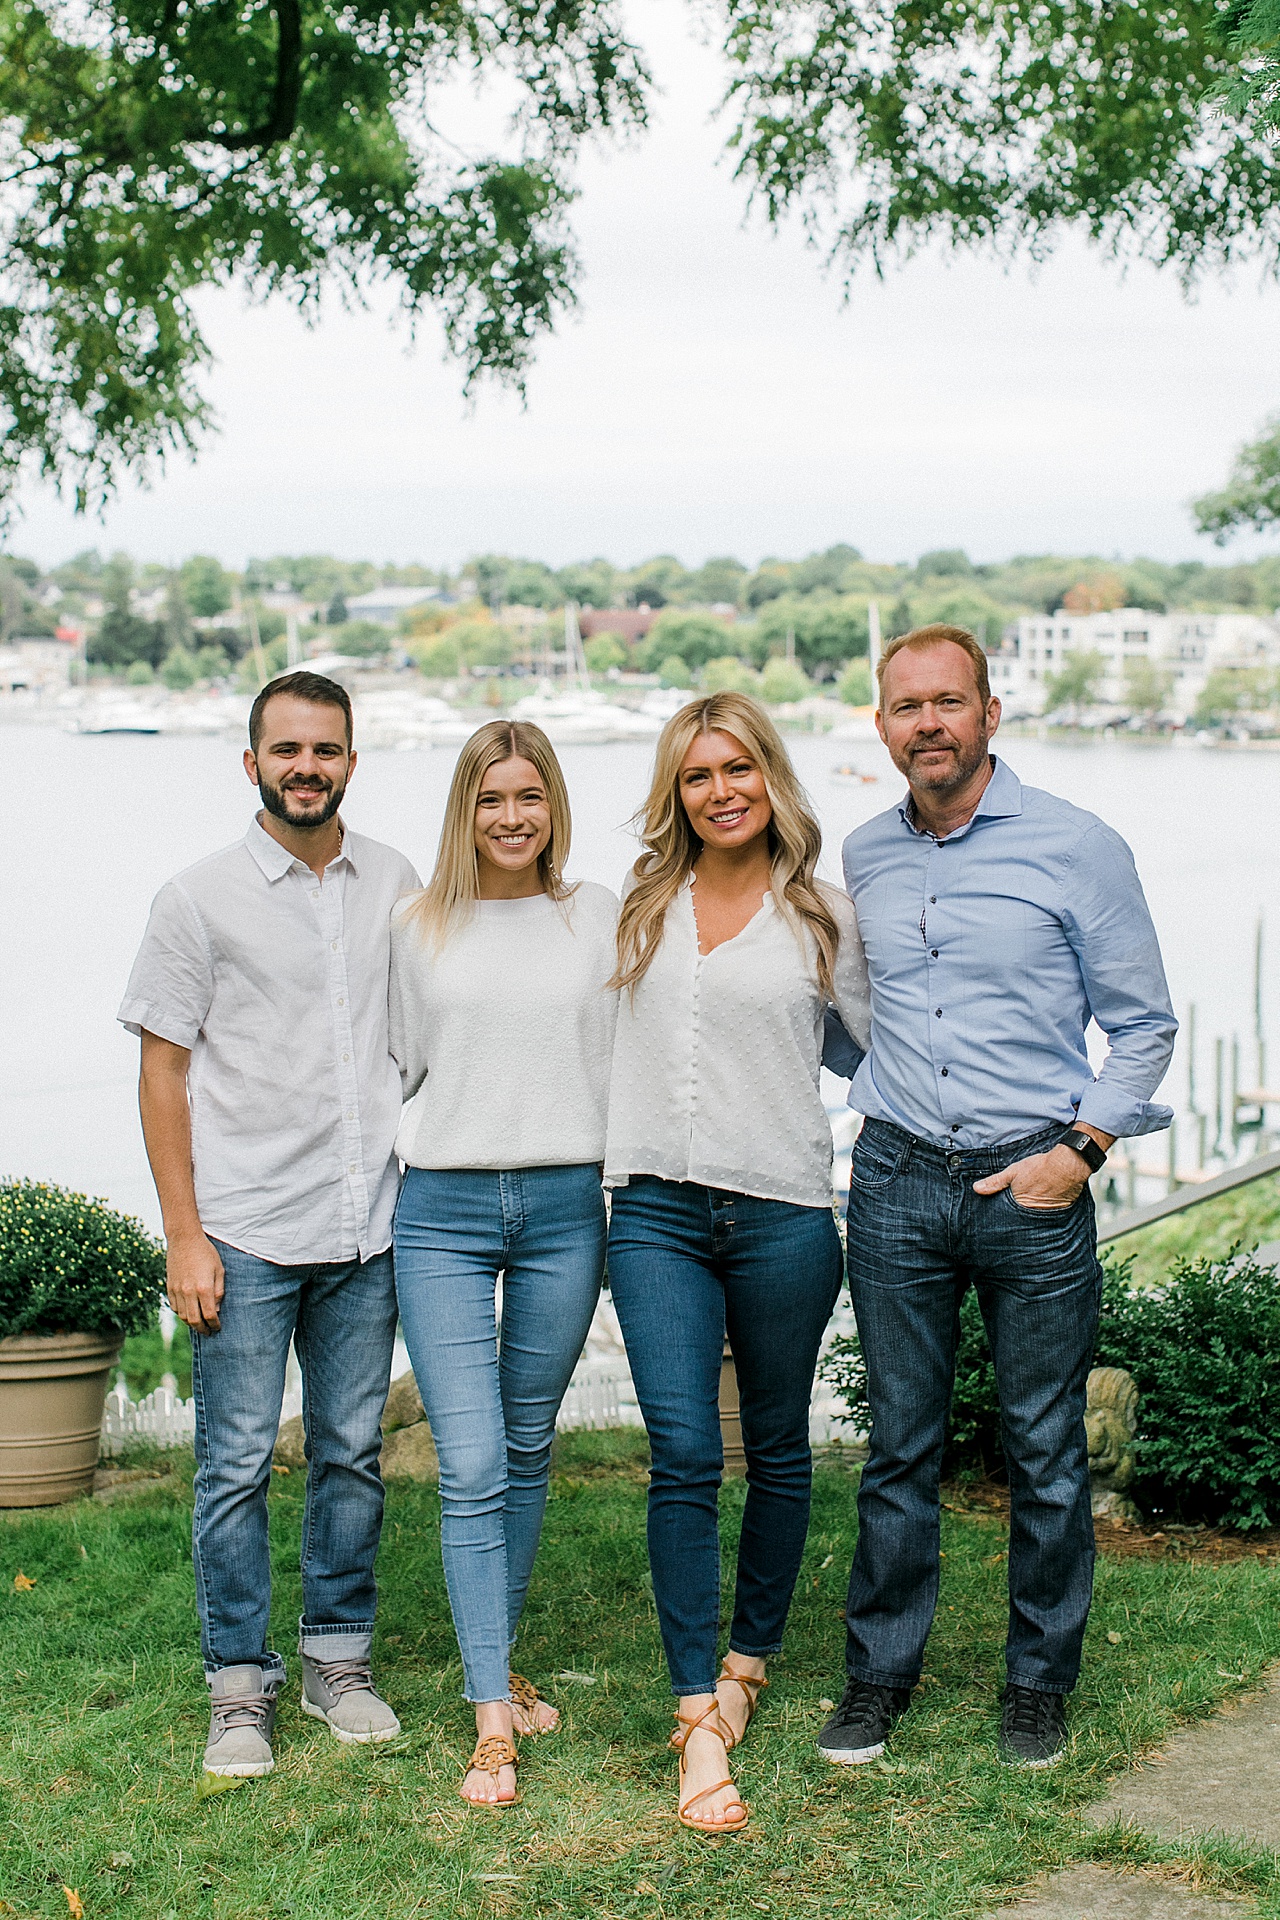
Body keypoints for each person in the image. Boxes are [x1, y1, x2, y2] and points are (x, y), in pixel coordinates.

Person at [819, 624, 1176, 1772]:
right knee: (897, 1450)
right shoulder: (865, 854)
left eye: (946, 702)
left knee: (1040, 1446)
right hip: (894, 1181)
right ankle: (876, 1679)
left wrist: (1079, 1148)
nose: (925, 724)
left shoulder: (1076, 846)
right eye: (902, 707)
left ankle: (1036, 1684)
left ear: (988, 712)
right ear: (880, 726)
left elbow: (1142, 1025)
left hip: (1032, 1178)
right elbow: (852, 1025)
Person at [119, 671, 418, 1778]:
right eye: (285, 749)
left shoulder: (394, 879)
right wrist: (183, 1234)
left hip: (365, 1227)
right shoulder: (194, 899)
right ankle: (237, 1688)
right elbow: (161, 1074)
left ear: (349, 759)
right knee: (234, 1465)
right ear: (251, 763)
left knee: (349, 1455)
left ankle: (339, 1659)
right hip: (242, 1229)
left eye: (325, 748)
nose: (307, 766)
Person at [604, 692, 870, 1834]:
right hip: (655, 1212)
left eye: (738, 769)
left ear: (769, 777)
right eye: (697, 774)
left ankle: (748, 1660)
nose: (720, 791)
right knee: (677, 1451)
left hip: (781, 1216)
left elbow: (870, 1051)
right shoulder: (638, 907)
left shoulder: (822, 916)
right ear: (676, 791)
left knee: (774, 1447)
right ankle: (690, 1706)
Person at [389, 720, 618, 1809]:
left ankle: (502, 1667)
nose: (511, 817)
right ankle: (492, 1723)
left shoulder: (596, 917)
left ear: (552, 803)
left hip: (568, 1207)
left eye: (529, 796)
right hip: (442, 1209)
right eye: (490, 799)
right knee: (471, 1458)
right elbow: (395, 1065)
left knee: (527, 1446)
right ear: (463, 810)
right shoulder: (415, 925)